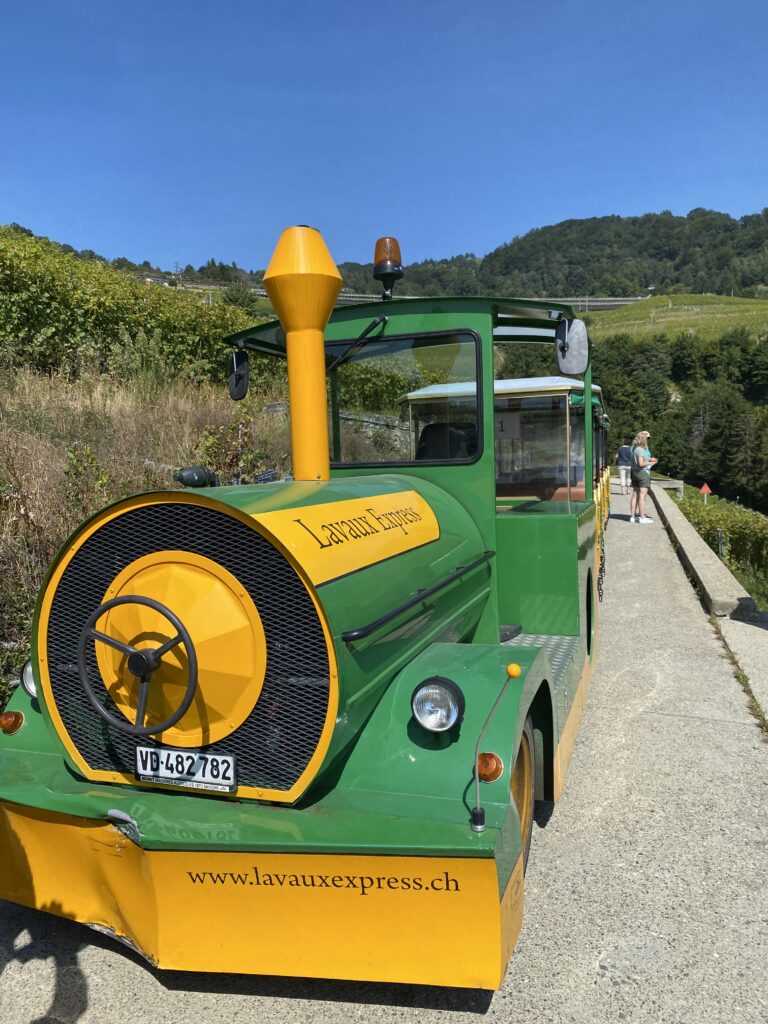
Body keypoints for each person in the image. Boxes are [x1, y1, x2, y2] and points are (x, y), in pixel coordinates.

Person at [629, 430, 657, 523]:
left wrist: (648, 459)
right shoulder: (641, 450)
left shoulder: (634, 449)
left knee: (635, 494)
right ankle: (642, 517)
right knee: (642, 495)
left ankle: (632, 517)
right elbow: (641, 463)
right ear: (643, 439)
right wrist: (650, 462)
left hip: (634, 473)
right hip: (642, 474)